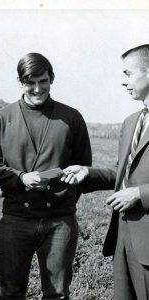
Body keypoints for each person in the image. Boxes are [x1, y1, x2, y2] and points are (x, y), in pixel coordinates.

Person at [0, 52, 92, 300]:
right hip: (14, 219)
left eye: (43, 81)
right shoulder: (2, 117)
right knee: (10, 292)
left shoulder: (72, 117)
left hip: (60, 221)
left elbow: (84, 167)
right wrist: (21, 178)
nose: (37, 88)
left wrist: (66, 197)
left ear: (52, 78)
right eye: (30, 82)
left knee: (57, 293)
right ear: (20, 81)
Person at [61, 44, 149, 300]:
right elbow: (125, 173)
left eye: (128, 74)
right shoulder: (132, 121)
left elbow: (136, 187)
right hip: (123, 240)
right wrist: (88, 173)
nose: (125, 82)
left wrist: (140, 194)